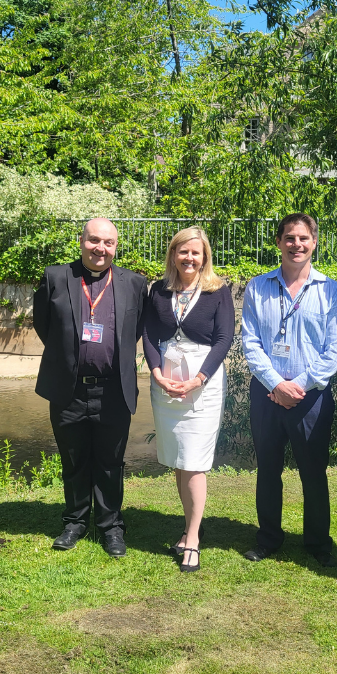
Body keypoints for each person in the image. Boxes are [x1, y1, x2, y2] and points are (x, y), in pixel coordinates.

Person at [32, 218, 149, 557]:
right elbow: (44, 324)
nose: (101, 248)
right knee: (74, 459)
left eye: (108, 242)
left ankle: (111, 526)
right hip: (69, 388)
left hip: (113, 389)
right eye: (94, 240)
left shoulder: (135, 283)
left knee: (111, 461)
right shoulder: (55, 277)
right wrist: (70, 355)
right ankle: (75, 521)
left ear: (116, 246)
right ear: (81, 240)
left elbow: (136, 328)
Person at [240, 213, 337, 567]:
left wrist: (297, 387)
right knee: (267, 469)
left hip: (311, 397)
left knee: (313, 472)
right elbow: (250, 343)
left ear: (314, 242)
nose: (296, 244)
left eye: (303, 238)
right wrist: (276, 384)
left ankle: (318, 542)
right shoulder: (257, 287)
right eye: (289, 238)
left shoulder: (332, 291)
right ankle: (269, 537)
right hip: (266, 394)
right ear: (278, 242)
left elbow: (335, 351)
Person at [142, 227, 235, 573]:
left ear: (205, 255)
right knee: (179, 458)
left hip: (204, 382)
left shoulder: (218, 290)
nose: (189, 258)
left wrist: (199, 378)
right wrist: (155, 373)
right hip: (166, 379)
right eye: (183, 252)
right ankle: (188, 527)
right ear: (173, 254)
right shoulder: (158, 290)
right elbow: (149, 335)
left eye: (196, 253)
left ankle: (192, 539)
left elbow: (225, 338)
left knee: (194, 459)